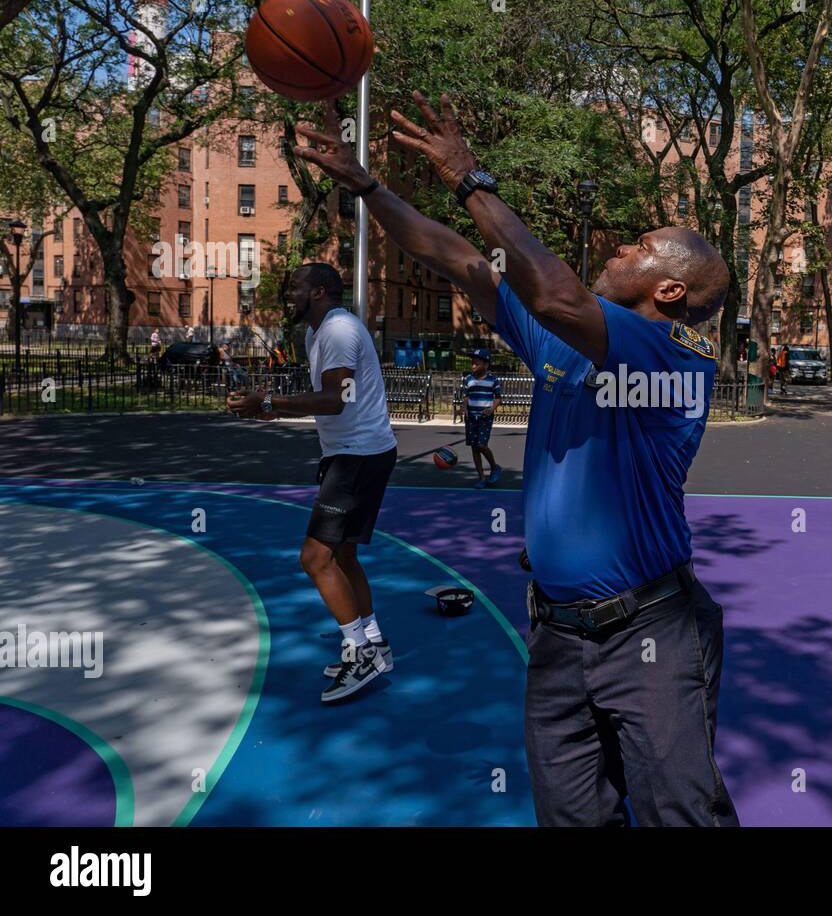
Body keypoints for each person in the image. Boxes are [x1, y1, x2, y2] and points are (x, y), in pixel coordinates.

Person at [292, 91, 738, 826]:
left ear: (668, 289)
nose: (619, 247)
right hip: (560, 634)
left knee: (679, 818)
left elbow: (558, 296)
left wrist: (471, 176)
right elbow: (463, 260)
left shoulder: (674, 359)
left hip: (650, 633)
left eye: (638, 247)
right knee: (572, 819)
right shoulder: (564, 343)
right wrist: (369, 186)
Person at [227, 263, 399, 705]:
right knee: (342, 554)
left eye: (295, 288)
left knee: (315, 558)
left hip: (358, 456)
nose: (288, 295)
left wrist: (267, 400)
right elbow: (326, 403)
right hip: (351, 454)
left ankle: (361, 653)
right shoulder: (314, 334)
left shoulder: (339, 331)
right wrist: (270, 411)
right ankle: (373, 641)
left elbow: (335, 400)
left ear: (319, 292)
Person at [461, 347, 503, 488]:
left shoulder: (493, 380)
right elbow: (466, 396)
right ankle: (481, 478)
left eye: (476, 363)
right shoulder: (468, 379)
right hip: (471, 417)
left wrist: (491, 409)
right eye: (472, 363)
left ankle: (494, 467)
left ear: (486, 365)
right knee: (474, 447)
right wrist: (464, 407)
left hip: (485, 417)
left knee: (481, 445)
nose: (473, 366)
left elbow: (498, 399)